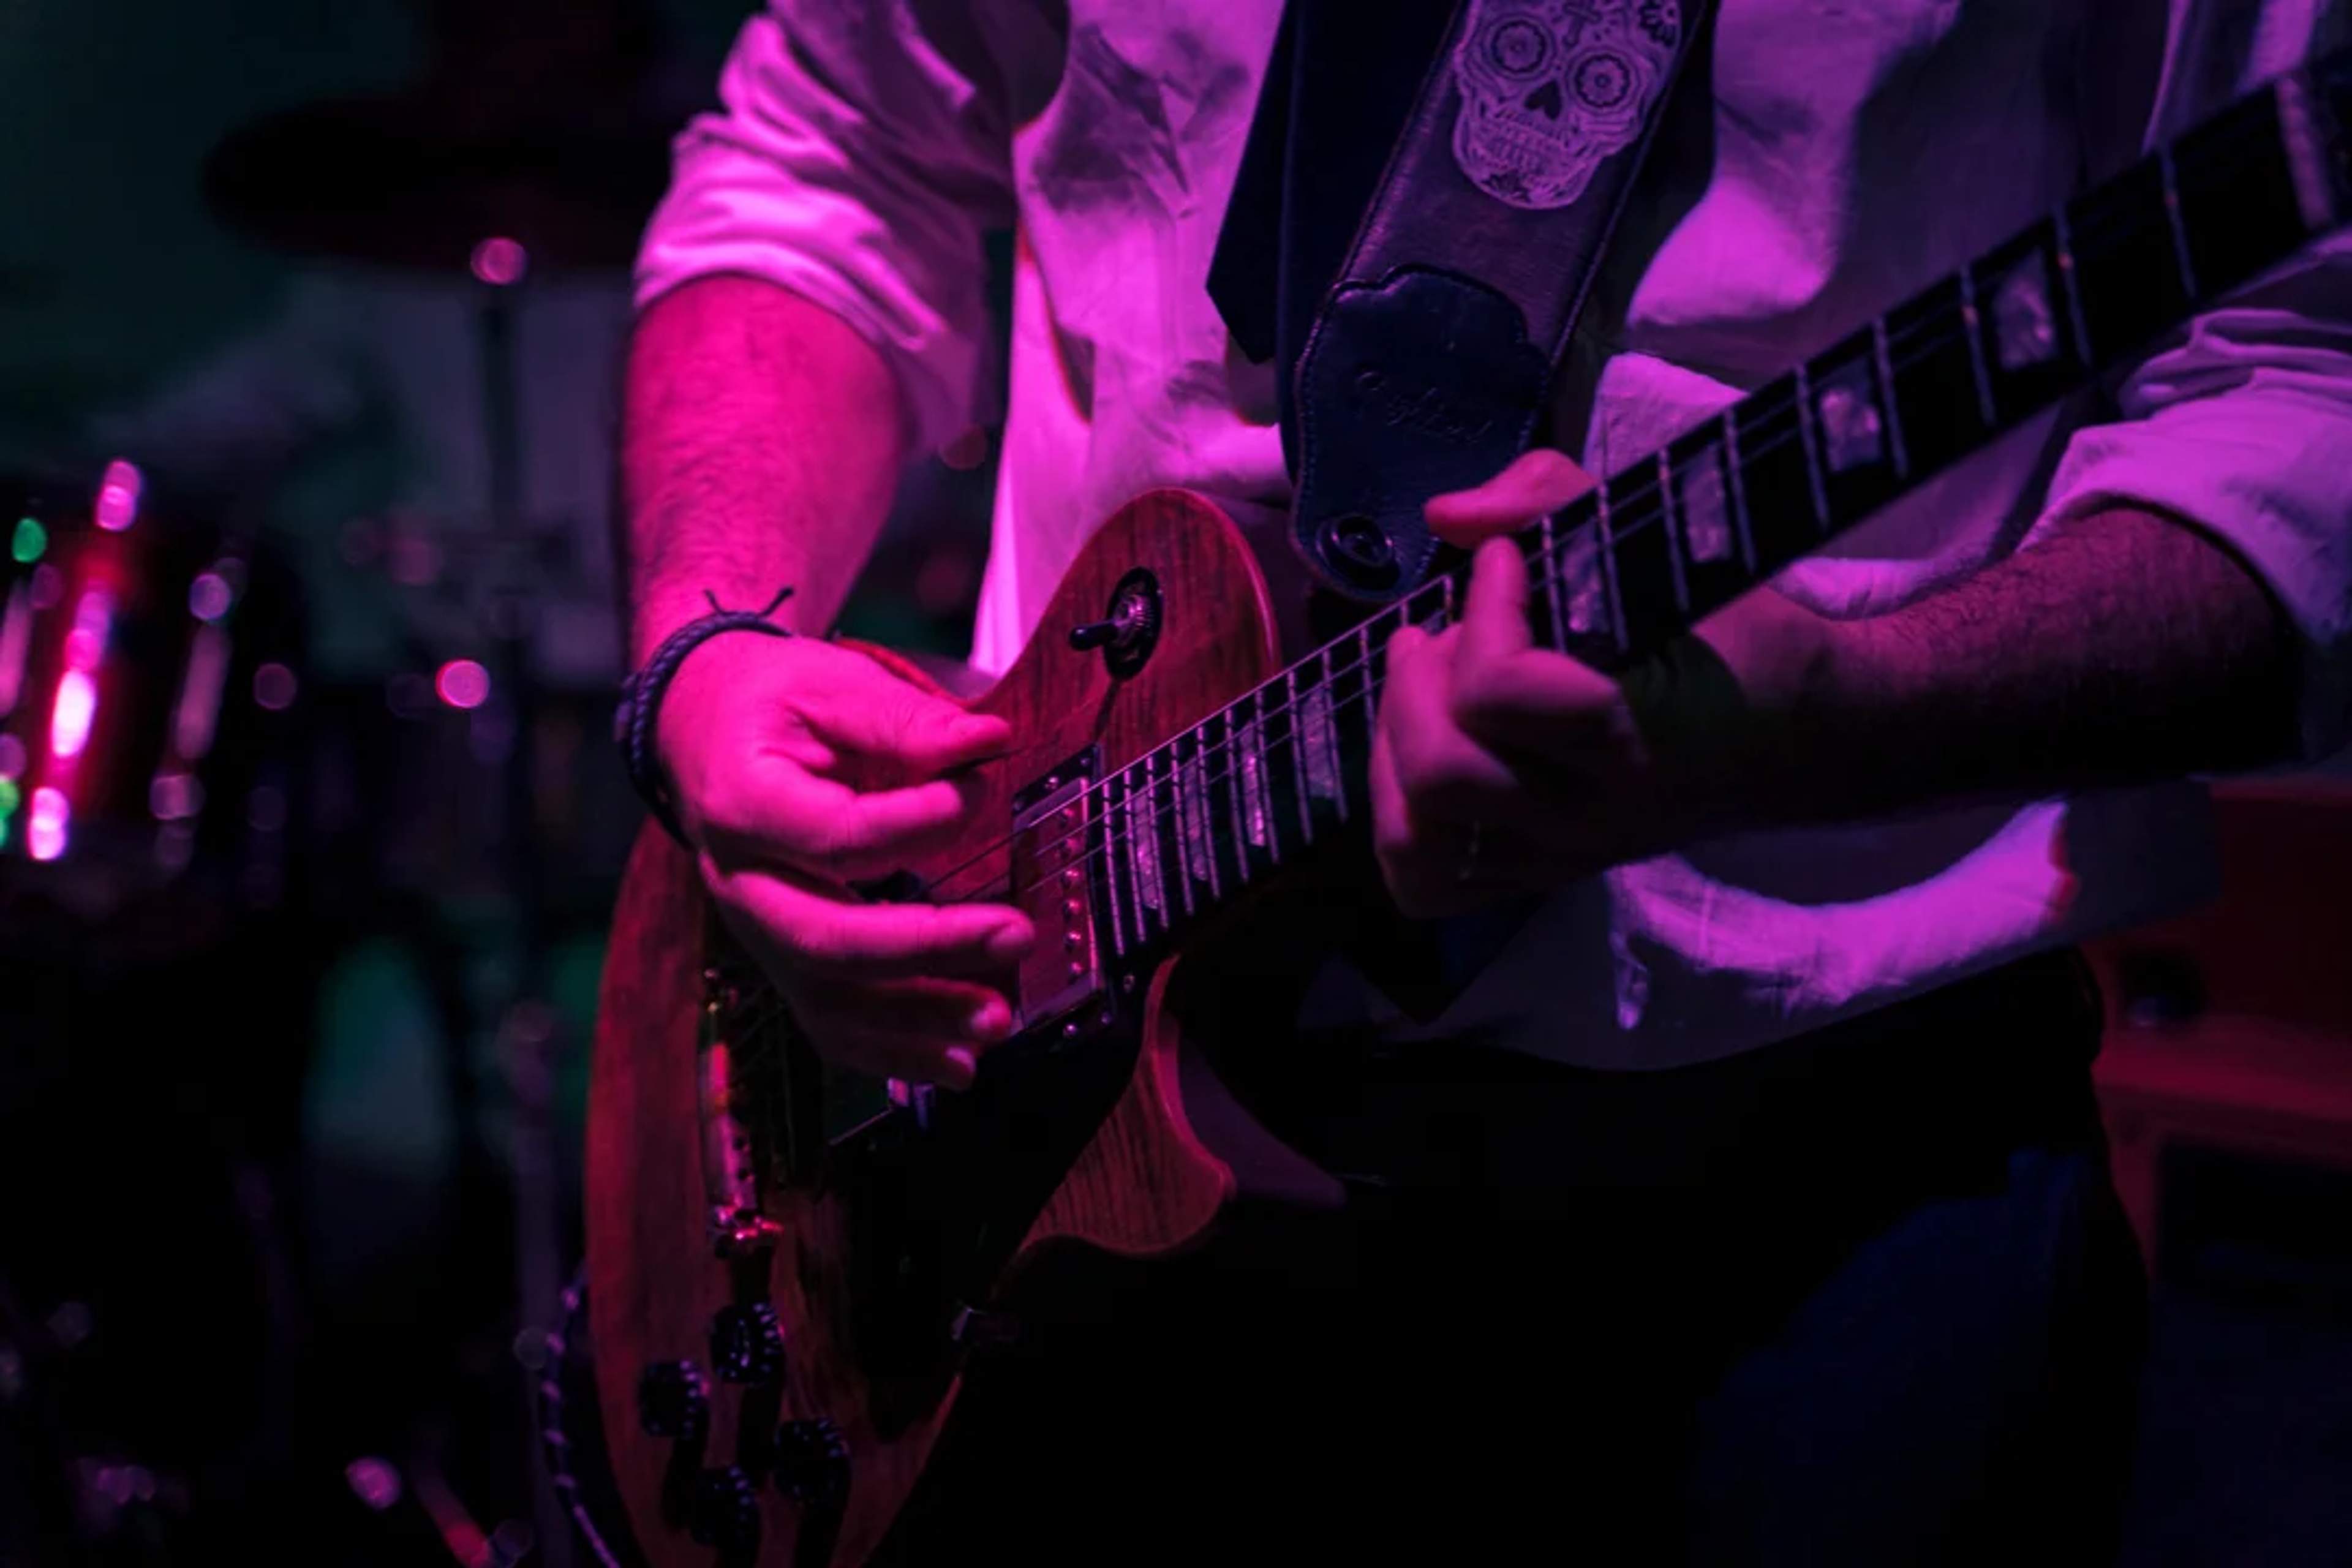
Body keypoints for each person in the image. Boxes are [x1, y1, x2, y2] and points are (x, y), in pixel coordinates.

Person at [619, 1, 2351, 1561]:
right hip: (1029, 1129)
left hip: (1826, 1190)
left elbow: (2301, 388)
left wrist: (1840, 707)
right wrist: (703, 652)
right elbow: (825, 165)